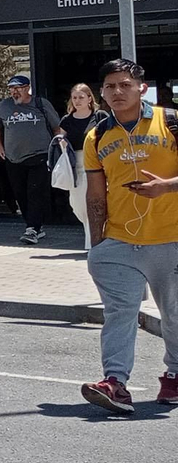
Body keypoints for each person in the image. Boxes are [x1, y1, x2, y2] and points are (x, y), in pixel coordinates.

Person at [79, 59, 178, 413]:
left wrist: (166, 187)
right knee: (120, 312)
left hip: (170, 239)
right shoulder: (97, 136)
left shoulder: (171, 122)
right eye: (110, 86)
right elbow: (95, 195)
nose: (117, 92)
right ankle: (115, 382)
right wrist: (98, 244)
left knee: (174, 314)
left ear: (142, 88)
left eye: (125, 85)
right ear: (102, 93)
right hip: (120, 242)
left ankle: (175, 375)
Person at [0, 74, 68, 244]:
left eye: (18, 88)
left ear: (27, 88)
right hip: (13, 157)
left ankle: (32, 228)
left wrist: (58, 148)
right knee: (20, 193)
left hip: (40, 155)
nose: (14, 92)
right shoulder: (4, 106)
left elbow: (57, 127)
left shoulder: (41, 104)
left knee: (35, 192)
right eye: (11, 88)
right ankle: (34, 226)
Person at [60, 82, 105, 251]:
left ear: (89, 99)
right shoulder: (67, 120)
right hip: (76, 165)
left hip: (97, 163)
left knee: (95, 203)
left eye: (81, 97)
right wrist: (62, 143)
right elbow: (59, 139)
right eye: (74, 98)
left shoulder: (100, 116)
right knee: (78, 205)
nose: (77, 101)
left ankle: (93, 243)